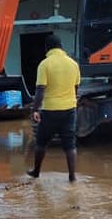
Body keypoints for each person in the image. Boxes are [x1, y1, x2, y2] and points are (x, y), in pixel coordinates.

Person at [27, 35, 81, 182]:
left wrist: (35, 110)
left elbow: (40, 90)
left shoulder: (45, 64)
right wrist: (72, 101)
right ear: (61, 46)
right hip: (70, 110)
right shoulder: (73, 64)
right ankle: (72, 176)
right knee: (70, 144)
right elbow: (76, 88)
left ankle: (36, 172)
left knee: (41, 142)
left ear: (47, 48)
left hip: (50, 110)